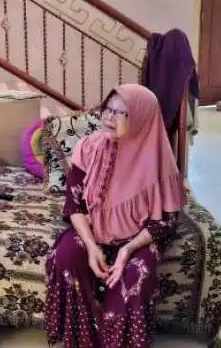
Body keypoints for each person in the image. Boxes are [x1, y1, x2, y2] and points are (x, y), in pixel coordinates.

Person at [44, 83, 185, 348]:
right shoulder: (88, 148)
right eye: (108, 109)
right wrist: (91, 246)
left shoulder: (160, 162)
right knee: (65, 257)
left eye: (121, 112)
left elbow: (165, 222)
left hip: (138, 237)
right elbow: (74, 205)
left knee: (133, 277)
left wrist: (126, 250)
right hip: (94, 231)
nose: (109, 117)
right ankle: (84, 340)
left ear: (141, 119)